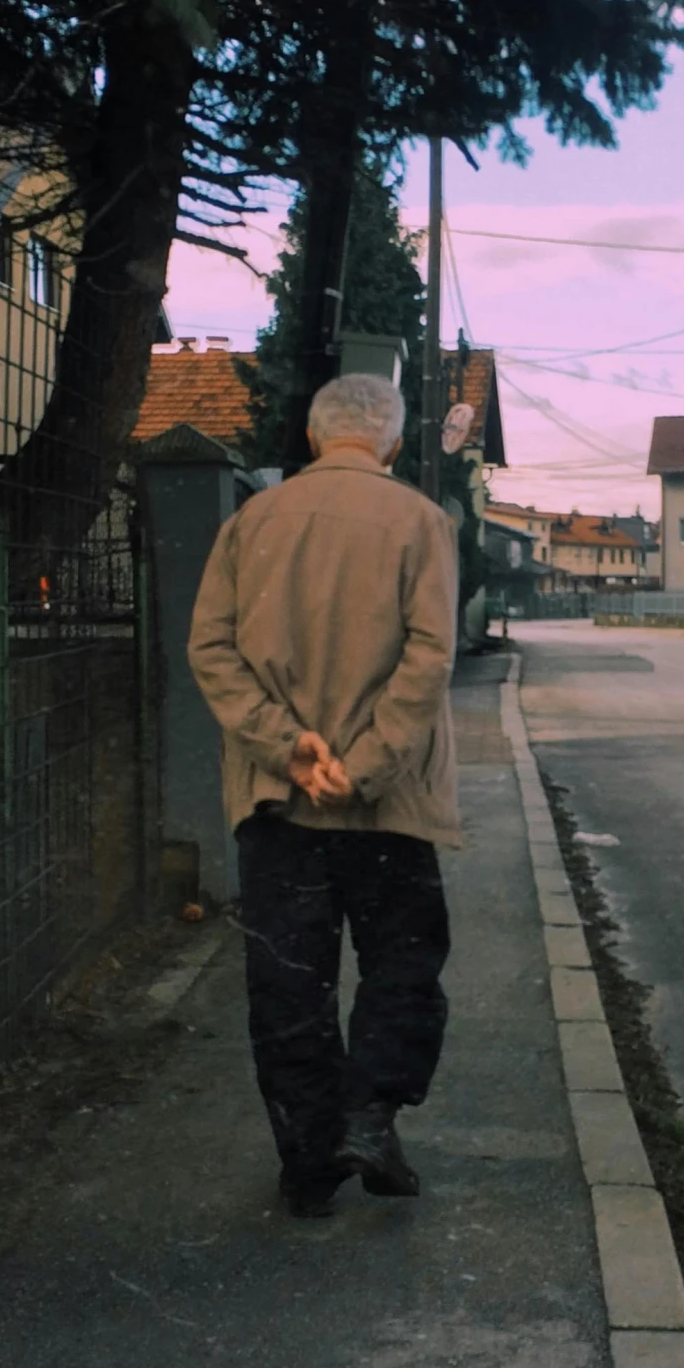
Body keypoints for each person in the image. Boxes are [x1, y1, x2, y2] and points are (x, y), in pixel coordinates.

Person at [187, 373, 461, 1219]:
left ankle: (307, 1163)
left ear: (312, 437)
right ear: (386, 442)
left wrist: (287, 746)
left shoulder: (248, 523)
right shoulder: (420, 521)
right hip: (388, 804)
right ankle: (370, 1118)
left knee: (289, 982)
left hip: (278, 804)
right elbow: (428, 657)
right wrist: (366, 762)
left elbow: (212, 650)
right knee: (401, 963)